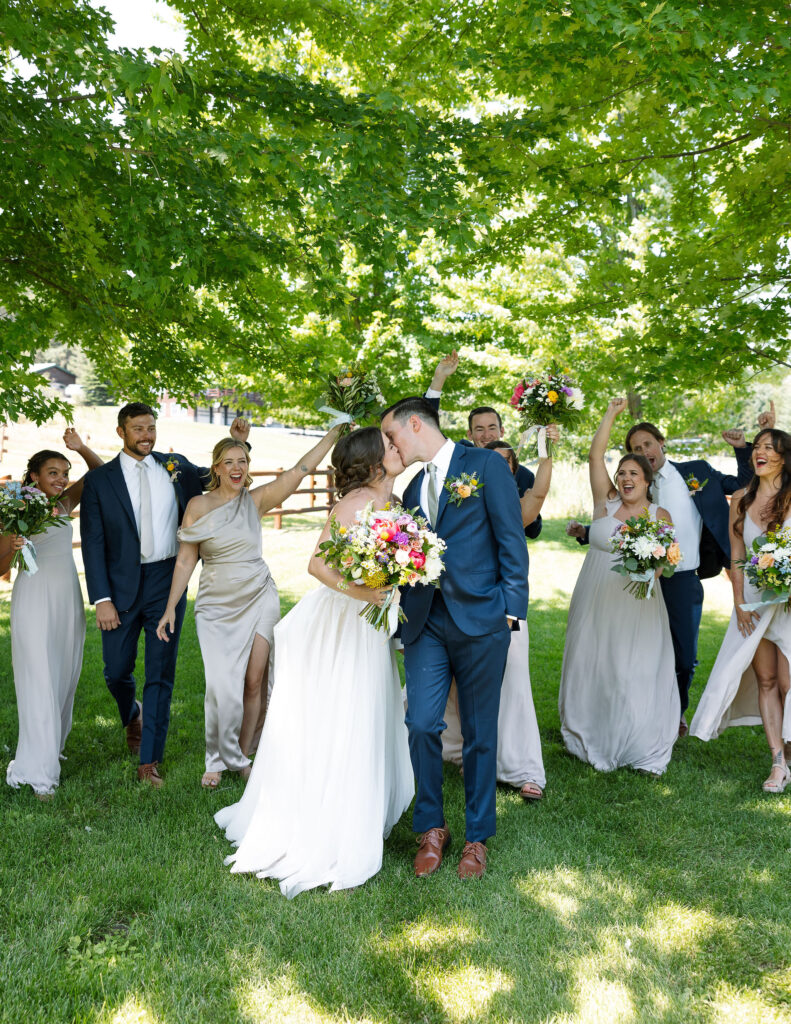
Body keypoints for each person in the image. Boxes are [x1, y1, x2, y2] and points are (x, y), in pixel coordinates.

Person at [214, 427, 413, 897]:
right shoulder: (355, 503)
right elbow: (318, 566)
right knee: (343, 714)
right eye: (389, 446)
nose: (398, 448)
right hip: (343, 623)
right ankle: (326, 822)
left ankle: (356, 809)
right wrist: (368, 592)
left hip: (369, 623)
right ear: (370, 463)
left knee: (366, 714)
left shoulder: (393, 501)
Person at [381, 397, 528, 880]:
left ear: (416, 425)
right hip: (427, 623)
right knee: (421, 723)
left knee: (480, 733)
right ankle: (431, 828)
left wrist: (511, 614)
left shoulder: (484, 464)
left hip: (483, 620)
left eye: (392, 436)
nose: (391, 446)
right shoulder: (413, 488)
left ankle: (477, 837)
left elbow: (511, 540)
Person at [156, 426, 344, 787]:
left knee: (254, 680)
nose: (236, 467)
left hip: (259, 594)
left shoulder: (255, 501)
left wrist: (333, 434)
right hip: (215, 605)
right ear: (216, 468)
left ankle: (241, 755)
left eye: (242, 461)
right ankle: (215, 757)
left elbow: (300, 470)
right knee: (221, 685)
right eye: (229, 462)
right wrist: (169, 609)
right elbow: (184, 562)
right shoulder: (198, 505)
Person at [80, 402, 250, 787]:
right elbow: (92, 542)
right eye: (138, 429)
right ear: (121, 431)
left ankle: (149, 761)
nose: (146, 436)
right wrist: (101, 598)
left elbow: (217, 478)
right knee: (115, 670)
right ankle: (130, 712)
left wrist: (236, 442)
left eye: (151, 428)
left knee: (160, 673)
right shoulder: (100, 481)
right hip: (119, 586)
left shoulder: (175, 467)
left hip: (166, 580)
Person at [559, 398, 680, 774]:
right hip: (596, 597)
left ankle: (641, 743)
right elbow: (595, 458)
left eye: (634, 474)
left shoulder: (660, 516)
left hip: (640, 603)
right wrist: (609, 414)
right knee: (596, 665)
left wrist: (651, 571)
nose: (626, 478)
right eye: (622, 473)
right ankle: (592, 733)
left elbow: (664, 563)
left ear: (647, 482)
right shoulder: (604, 504)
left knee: (637, 669)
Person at [441, 432, 558, 801]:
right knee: (460, 683)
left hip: (506, 611)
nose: (499, 466)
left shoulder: (517, 506)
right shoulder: (460, 501)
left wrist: (548, 449)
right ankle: (468, 754)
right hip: (463, 609)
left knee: (514, 682)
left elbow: (538, 493)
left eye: (507, 462)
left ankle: (522, 767)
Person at [624, 420, 755, 734]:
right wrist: (586, 533)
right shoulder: (632, 483)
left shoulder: (695, 472)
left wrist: (741, 449)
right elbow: (616, 518)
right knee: (641, 653)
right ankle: (644, 712)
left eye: (647, 444)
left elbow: (743, 486)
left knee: (684, 657)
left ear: (661, 442)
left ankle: (677, 710)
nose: (644, 452)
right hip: (644, 581)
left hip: (683, 579)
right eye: (636, 449)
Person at [2, 430, 103, 798]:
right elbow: (0, 567)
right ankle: (39, 770)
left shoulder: (63, 506)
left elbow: (98, 472)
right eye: (53, 473)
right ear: (34, 477)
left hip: (67, 598)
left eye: (64, 472)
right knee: (39, 678)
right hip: (33, 599)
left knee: (63, 675)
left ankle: (51, 747)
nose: (61, 479)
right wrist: (11, 547)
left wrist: (81, 448)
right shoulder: (14, 508)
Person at [691, 428, 791, 793]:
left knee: (787, 681)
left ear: (783, 457)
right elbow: (736, 556)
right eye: (758, 447)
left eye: (769, 447)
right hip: (752, 600)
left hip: (789, 602)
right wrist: (738, 603)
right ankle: (778, 762)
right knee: (765, 680)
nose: (759, 452)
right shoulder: (741, 499)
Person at [425, 352, 543, 540]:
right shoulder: (457, 460)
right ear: (469, 434)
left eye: (492, 428)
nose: (486, 435)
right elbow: (427, 428)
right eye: (479, 429)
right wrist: (439, 379)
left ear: (502, 431)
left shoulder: (524, 476)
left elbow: (533, 532)